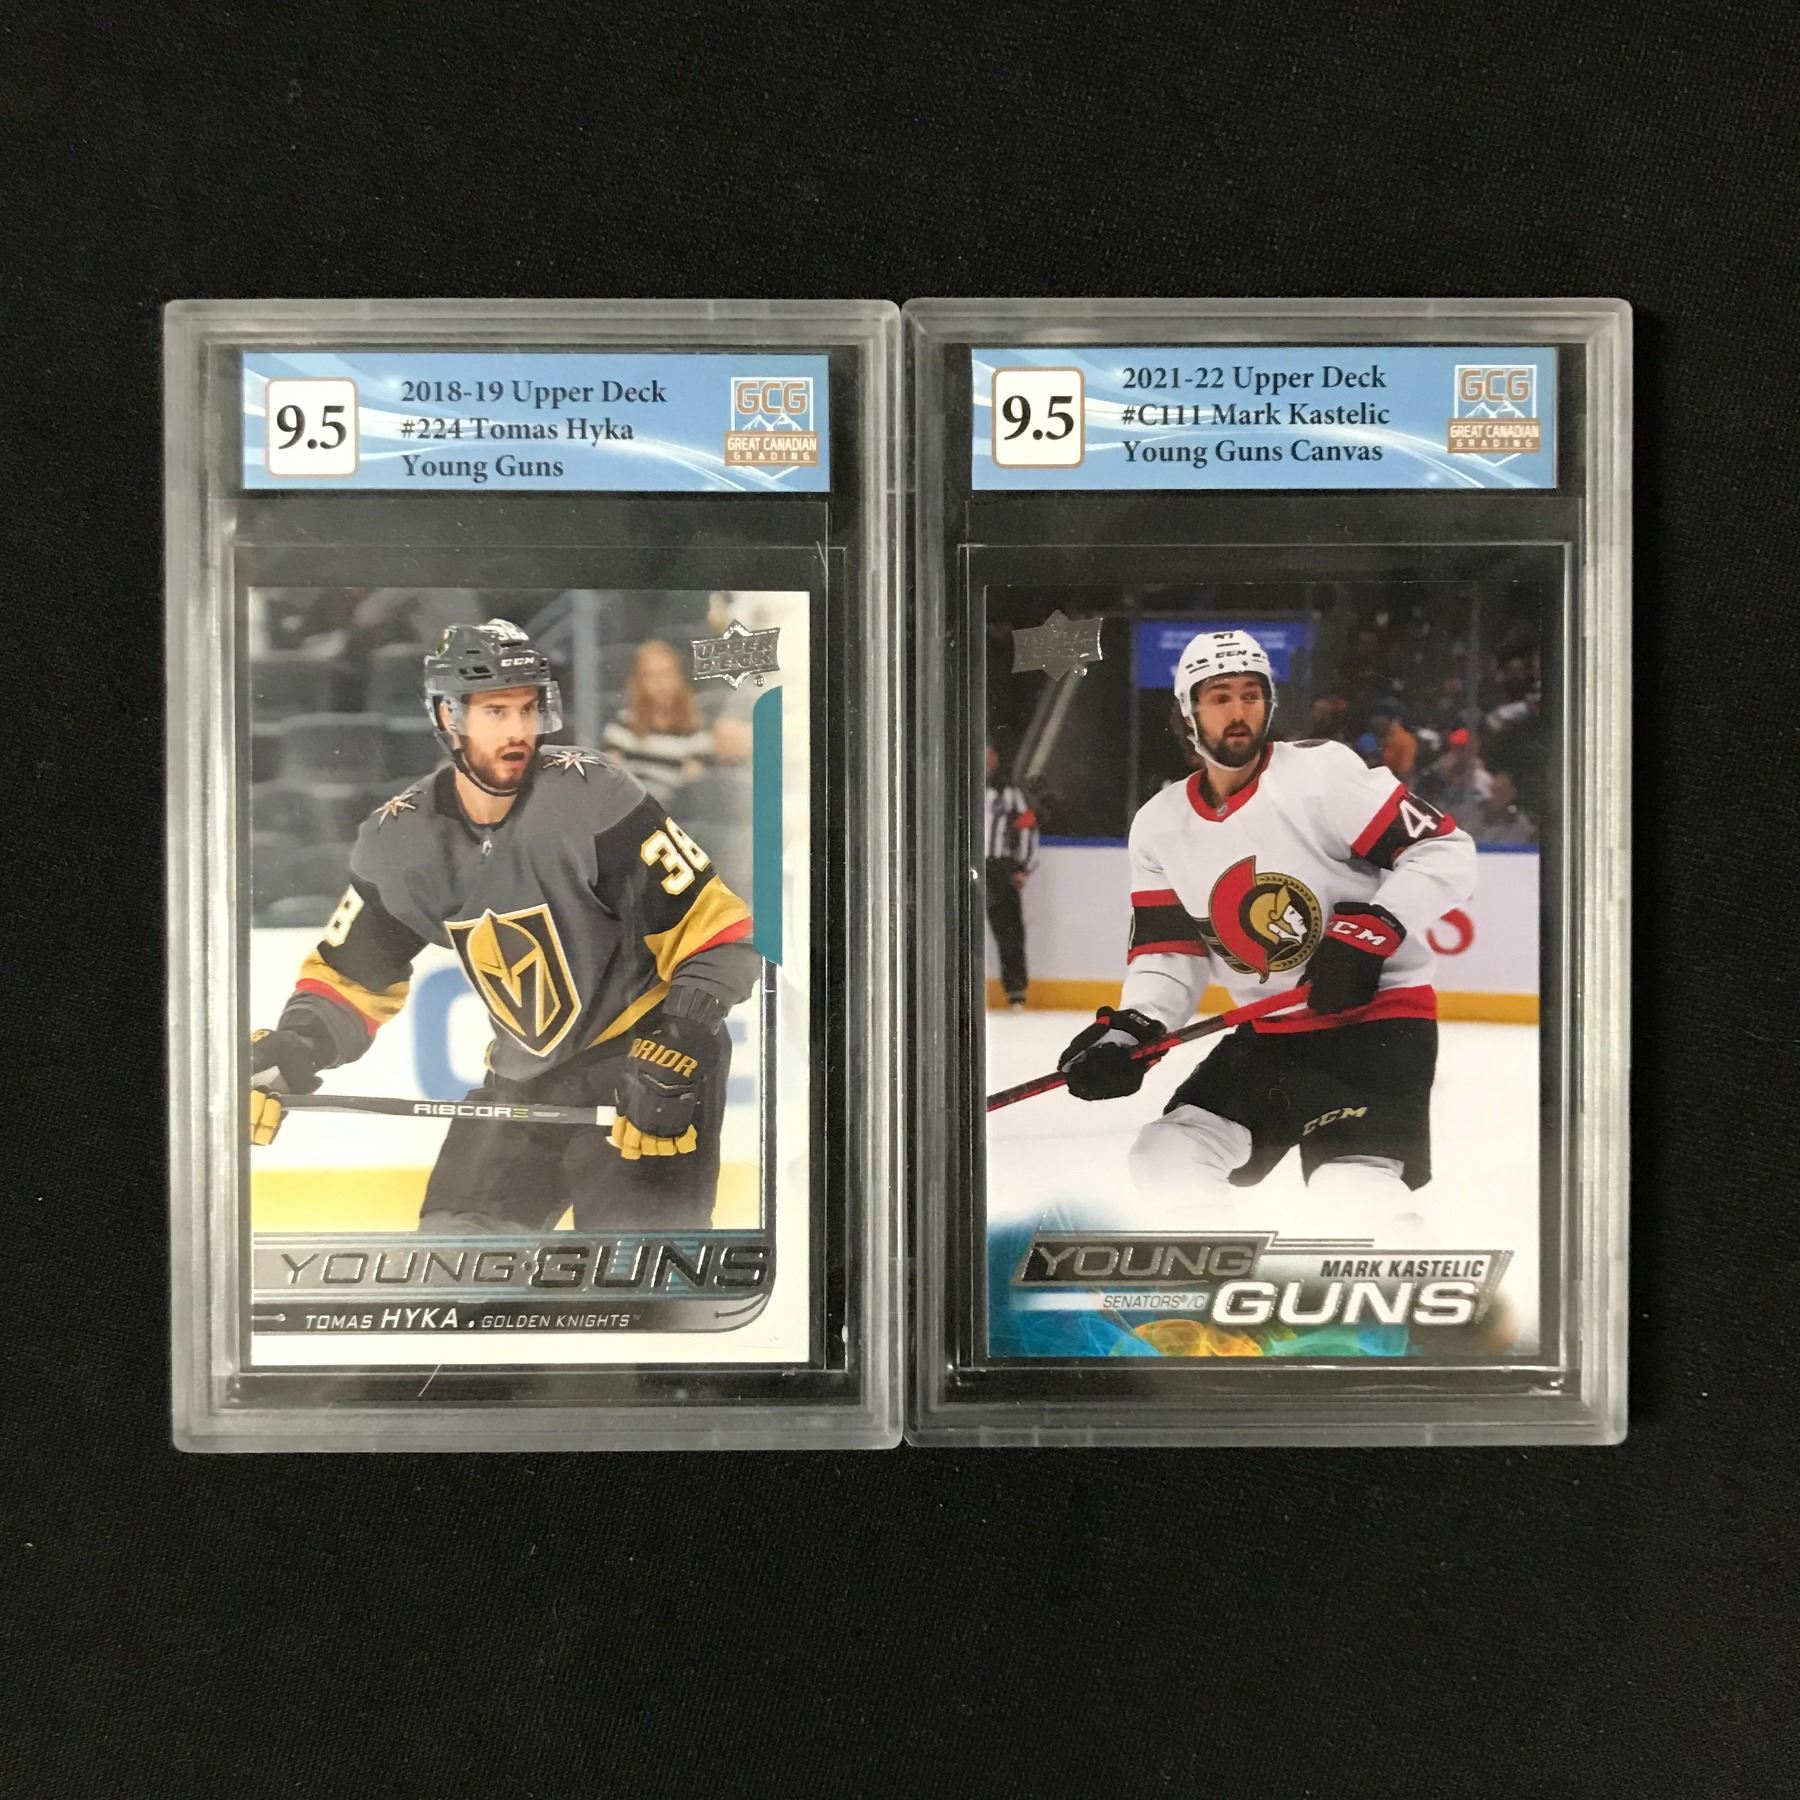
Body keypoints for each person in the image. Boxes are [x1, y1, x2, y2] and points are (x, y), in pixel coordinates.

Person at [246, 619, 758, 1232]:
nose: (518, 730)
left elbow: (717, 936)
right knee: (451, 1257)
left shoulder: (594, 796)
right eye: (495, 711)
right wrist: (294, 1048)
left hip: (642, 1063)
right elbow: (350, 979)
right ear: (448, 716)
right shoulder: (400, 838)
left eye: (527, 709)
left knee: (639, 1272)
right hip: (521, 1078)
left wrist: (681, 1043)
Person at [1057, 628, 1476, 1222]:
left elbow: (1444, 850)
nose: (1239, 712)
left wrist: (1371, 932)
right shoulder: (1159, 824)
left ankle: (1408, 1276)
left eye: (1251, 695)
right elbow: (1168, 950)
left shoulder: (1322, 775)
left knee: (1350, 1189)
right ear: (1187, 712)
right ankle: (1214, 1267)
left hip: (1378, 1027)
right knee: (1167, 1154)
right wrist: (1132, 1030)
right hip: (1273, 1035)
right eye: (1219, 697)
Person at [601, 638, 746, 808]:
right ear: (638, 681)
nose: (660, 684)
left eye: (666, 674)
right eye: (650, 676)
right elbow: (610, 784)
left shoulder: (695, 733)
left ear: (678, 678)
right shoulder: (622, 727)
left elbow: (693, 788)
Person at [984, 745, 1039, 1008]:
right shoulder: (959, 788)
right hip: (964, 867)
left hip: (999, 867)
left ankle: (1016, 990)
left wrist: (1022, 867)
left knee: (1008, 931)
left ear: (995, 757)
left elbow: (1027, 826)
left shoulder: (1009, 791)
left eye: (988, 753)